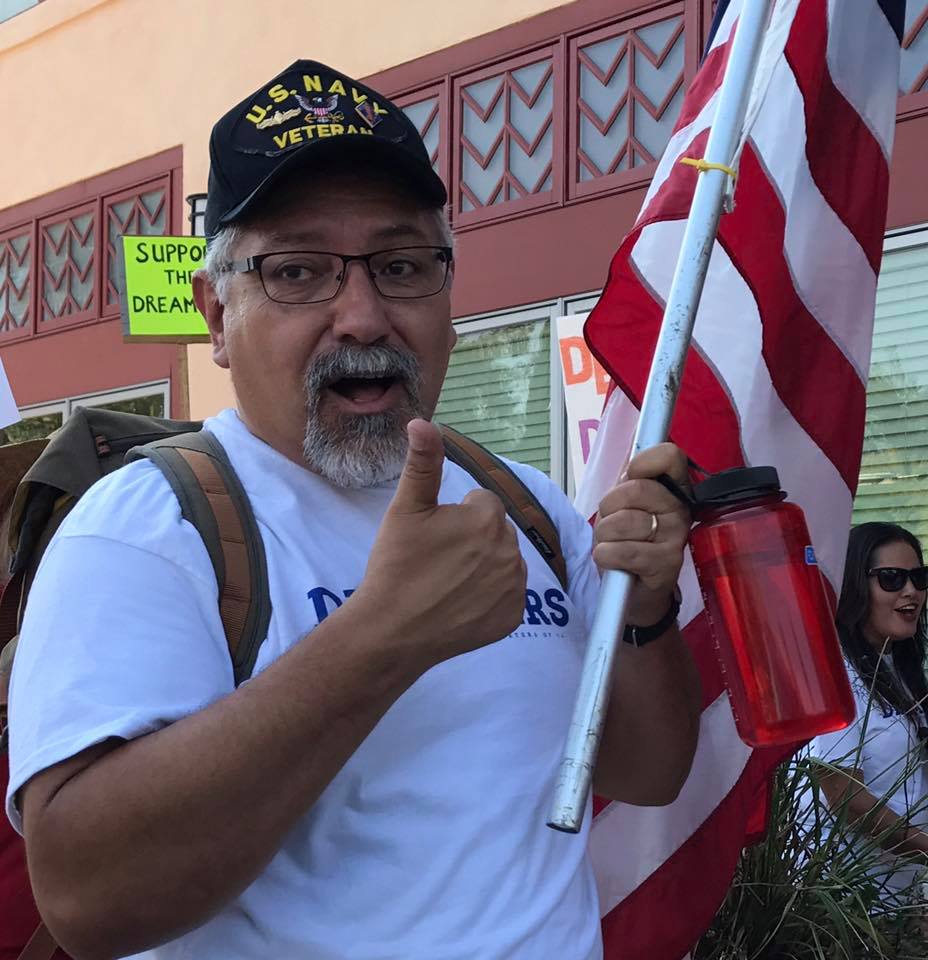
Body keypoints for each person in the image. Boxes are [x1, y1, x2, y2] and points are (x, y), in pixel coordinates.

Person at [5, 61, 700, 960]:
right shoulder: (142, 533)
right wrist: (381, 638)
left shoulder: (525, 507)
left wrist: (642, 609)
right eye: (299, 272)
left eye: (403, 266)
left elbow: (646, 772)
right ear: (215, 315)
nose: (363, 316)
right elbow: (88, 901)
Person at [813, 521, 928, 902]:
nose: (911, 590)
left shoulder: (897, 666)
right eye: (892, 578)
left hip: (901, 897)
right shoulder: (833, 675)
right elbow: (846, 797)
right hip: (849, 909)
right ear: (856, 587)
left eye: (918, 577)